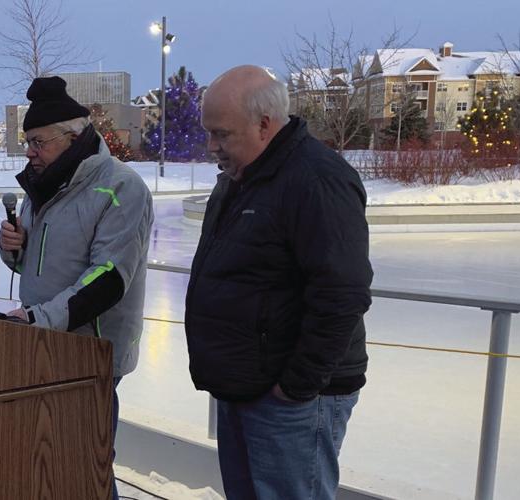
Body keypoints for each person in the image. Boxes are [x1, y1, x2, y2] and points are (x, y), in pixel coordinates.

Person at [185, 65, 373, 500]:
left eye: (222, 134)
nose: (212, 146)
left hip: (293, 403)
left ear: (264, 125)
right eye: (209, 133)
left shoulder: (317, 181)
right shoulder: (242, 179)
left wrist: (295, 388)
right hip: (246, 389)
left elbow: (342, 294)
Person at [0, 76, 153, 500]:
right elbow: (34, 261)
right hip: (44, 343)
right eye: (28, 141)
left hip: (90, 351)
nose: (30, 151)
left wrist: (36, 320)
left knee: (86, 460)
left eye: (38, 141)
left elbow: (107, 278)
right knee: (50, 457)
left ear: (73, 136)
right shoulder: (43, 186)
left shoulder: (121, 187)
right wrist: (12, 248)